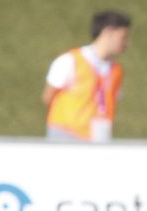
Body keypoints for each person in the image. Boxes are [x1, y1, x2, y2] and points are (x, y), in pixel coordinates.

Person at [43, 10, 131, 142]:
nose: (126, 43)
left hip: (98, 137)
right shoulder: (70, 60)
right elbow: (48, 97)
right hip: (66, 136)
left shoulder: (116, 70)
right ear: (108, 32)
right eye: (123, 37)